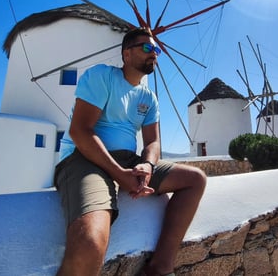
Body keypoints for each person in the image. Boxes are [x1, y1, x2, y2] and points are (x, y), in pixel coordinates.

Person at [54, 27, 207, 276]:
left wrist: (147, 165)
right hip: (85, 158)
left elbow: (153, 143)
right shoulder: (102, 76)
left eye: (156, 49)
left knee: (195, 179)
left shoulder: (149, 98)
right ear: (126, 54)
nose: (154, 54)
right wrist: (118, 173)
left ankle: (159, 267)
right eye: (147, 48)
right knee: (90, 243)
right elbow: (80, 131)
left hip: (128, 161)